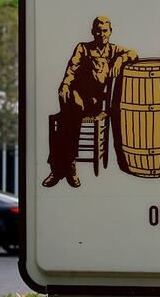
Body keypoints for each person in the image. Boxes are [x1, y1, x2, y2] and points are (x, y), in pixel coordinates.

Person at [42, 16, 137, 188]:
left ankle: (58, 169)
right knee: (71, 107)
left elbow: (133, 53)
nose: (102, 34)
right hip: (75, 95)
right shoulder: (83, 48)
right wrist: (64, 85)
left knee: (66, 118)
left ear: (110, 32)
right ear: (93, 32)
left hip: (93, 102)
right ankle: (68, 167)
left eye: (105, 31)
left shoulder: (113, 50)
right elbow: (72, 69)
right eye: (98, 30)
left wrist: (120, 59)